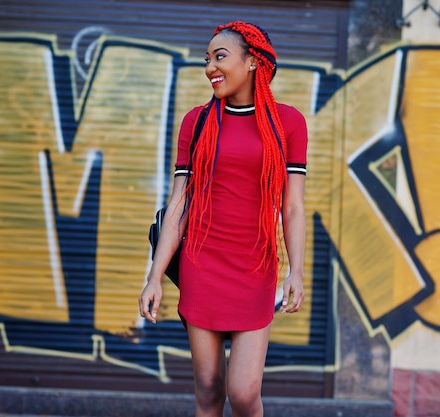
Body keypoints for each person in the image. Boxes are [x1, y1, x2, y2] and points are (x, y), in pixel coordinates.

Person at [139, 20, 308, 417]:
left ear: (252, 62)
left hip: (256, 265)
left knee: (244, 393)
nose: (210, 68)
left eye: (220, 57)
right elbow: (178, 206)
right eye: (207, 59)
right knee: (210, 389)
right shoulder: (195, 122)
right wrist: (154, 278)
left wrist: (296, 271)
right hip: (203, 262)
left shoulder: (289, 123)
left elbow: (293, 206)